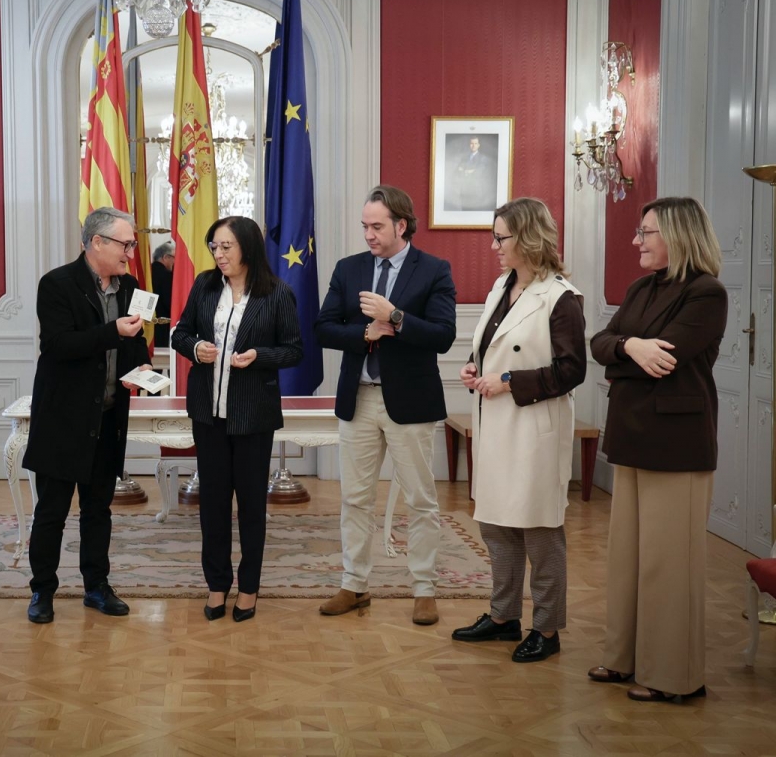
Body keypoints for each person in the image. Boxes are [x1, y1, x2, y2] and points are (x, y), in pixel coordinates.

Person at [588, 196, 726, 703]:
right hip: (630, 432)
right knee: (628, 558)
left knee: (669, 564)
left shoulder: (706, 293)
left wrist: (635, 349)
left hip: (677, 443)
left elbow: (669, 357)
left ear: (676, 234)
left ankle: (673, 676)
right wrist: (630, 348)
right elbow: (600, 343)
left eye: (646, 233)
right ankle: (623, 658)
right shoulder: (640, 287)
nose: (637, 241)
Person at [451, 198, 586, 663]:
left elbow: (572, 371)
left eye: (501, 237)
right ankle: (504, 616)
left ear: (528, 237)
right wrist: (475, 368)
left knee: (540, 530)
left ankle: (547, 629)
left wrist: (508, 382)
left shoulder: (561, 297)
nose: (494, 245)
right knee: (496, 525)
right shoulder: (499, 287)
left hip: (534, 431)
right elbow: (492, 349)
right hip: (496, 427)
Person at [315, 185, 456, 625]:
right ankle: (354, 585)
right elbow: (323, 328)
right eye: (365, 226)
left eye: (377, 227)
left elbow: (444, 335)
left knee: (421, 500)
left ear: (401, 224)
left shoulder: (434, 270)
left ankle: (423, 589)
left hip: (410, 403)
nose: (369, 235)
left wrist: (395, 317)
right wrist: (364, 333)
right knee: (355, 499)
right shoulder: (349, 268)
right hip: (358, 400)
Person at [21, 206, 150, 624]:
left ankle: (97, 586)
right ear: (98, 243)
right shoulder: (57, 284)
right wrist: (115, 333)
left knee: (99, 510)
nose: (131, 252)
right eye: (125, 244)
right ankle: (42, 590)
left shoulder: (129, 286)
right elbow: (59, 345)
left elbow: (134, 343)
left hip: (108, 418)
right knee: (52, 512)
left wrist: (142, 368)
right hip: (63, 420)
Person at [171, 216, 303, 622]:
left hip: (252, 416)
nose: (219, 254)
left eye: (226, 246)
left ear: (247, 246)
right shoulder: (205, 286)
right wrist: (196, 349)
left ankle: (248, 589)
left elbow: (294, 350)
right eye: (214, 247)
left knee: (250, 506)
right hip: (208, 415)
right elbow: (180, 333)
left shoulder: (276, 293)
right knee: (211, 504)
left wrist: (259, 357)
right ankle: (216, 585)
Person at [449, 136, 496, 211]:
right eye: (471, 143)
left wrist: (466, 171)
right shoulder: (464, 158)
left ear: (478, 145)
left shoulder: (483, 159)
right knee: (465, 214)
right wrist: (467, 171)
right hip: (464, 192)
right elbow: (457, 171)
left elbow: (479, 172)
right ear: (469, 145)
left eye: (475, 143)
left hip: (477, 193)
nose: (473, 145)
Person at [151, 240, 175, 347]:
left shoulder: (147, 272)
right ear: (166, 257)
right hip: (162, 327)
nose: (175, 263)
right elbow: (169, 303)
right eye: (174, 258)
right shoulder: (167, 276)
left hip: (147, 326)